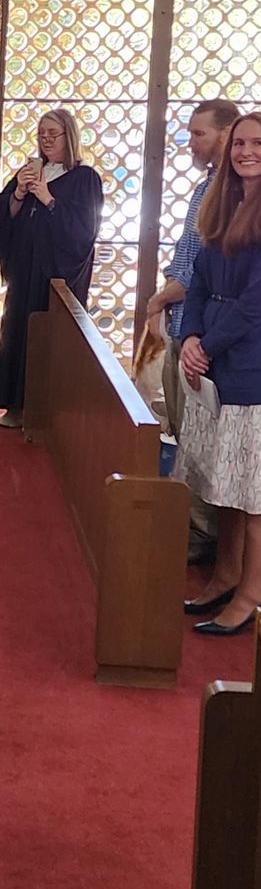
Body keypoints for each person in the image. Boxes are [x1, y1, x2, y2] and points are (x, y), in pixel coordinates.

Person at [176, 112, 261, 637]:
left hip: (252, 363)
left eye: (258, 143)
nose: (247, 151)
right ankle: (226, 574)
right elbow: (200, 280)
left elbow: (255, 304)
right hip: (216, 360)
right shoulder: (223, 204)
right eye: (241, 143)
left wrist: (205, 343)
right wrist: (188, 338)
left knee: (253, 494)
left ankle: (251, 593)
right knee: (225, 486)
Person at [145, 98, 239, 559]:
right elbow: (187, 255)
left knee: (202, 437)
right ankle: (195, 527)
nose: (191, 143)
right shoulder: (206, 187)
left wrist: (160, 298)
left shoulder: (234, 194)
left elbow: (207, 267)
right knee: (185, 431)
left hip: (205, 332)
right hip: (186, 322)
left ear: (225, 135)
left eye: (199, 134)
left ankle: (204, 536)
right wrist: (167, 295)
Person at [0, 108, 104, 428]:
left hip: (54, 275)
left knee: (49, 341)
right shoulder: (30, 170)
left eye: (53, 134)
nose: (46, 140)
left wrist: (49, 200)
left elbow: (85, 229)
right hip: (25, 271)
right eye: (42, 134)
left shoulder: (84, 178)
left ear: (70, 136)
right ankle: (15, 405)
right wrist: (19, 192)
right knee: (17, 332)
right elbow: (2, 213)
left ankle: (48, 412)